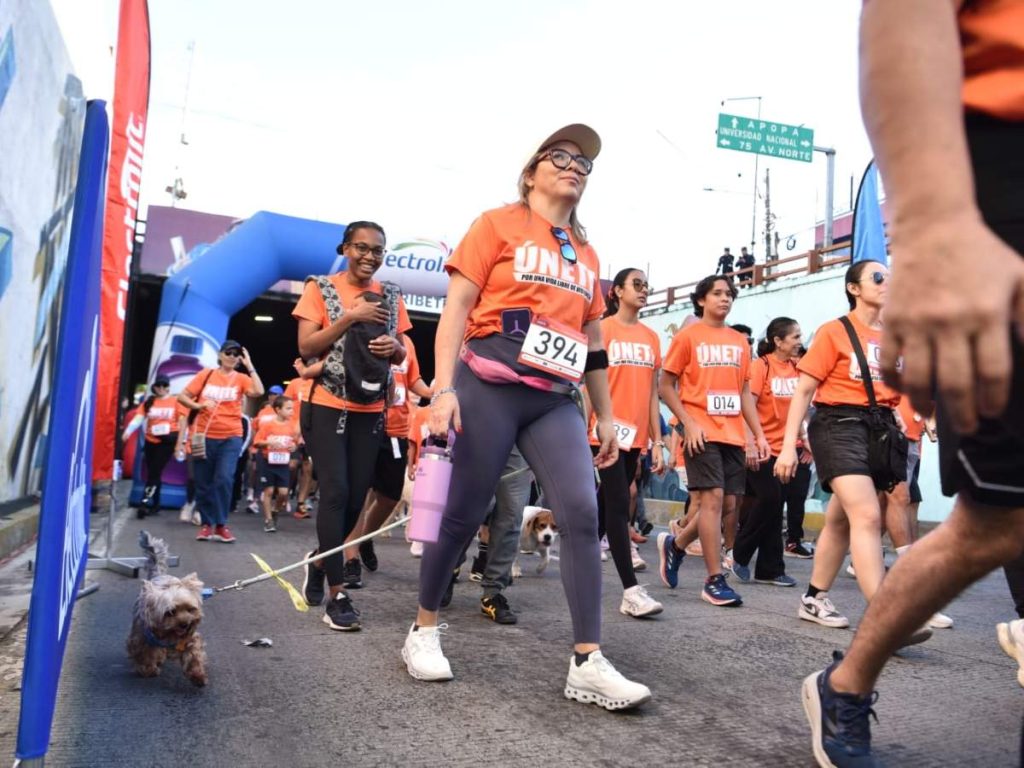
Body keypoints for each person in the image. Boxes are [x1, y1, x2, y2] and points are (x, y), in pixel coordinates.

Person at [801, 4, 1024, 764]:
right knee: (996, 522)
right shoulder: (834, 333)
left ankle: (826, 602)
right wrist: (931, 223)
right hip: (1002, 161)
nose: (881, 284)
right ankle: (850, 673)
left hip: (880, 428)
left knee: (865, 516)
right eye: (877, 276)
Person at [402, 123, 651, 710]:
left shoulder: (587, 255)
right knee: (463, 515)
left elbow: (591, 341)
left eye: (584, 163)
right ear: (532, 171)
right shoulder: (496, 225)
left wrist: (607, 415)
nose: (574, 166)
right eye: (560, 156)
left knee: (584, 513)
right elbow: (456, 310)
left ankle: (587, 661)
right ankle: (424, 629)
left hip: (553, 398)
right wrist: (442, 390)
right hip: (486, 383)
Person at [293, 221, 412, 632]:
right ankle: (336, 594)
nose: (370, 256)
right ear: (345, 248)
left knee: (355, 497)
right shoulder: (320, 288)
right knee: (336, 491)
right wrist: (351, 317)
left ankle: (317, 560)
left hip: (371, 410)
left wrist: (394, 348)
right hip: (327, 406)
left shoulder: (393, 297)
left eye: (377, 250)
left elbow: (401, 355)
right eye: (361, 248)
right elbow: (307, 347)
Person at [657, 275, 770, 606]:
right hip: (700, 433)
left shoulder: (739, 341)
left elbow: (744, 392)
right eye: (717, 293)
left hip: (732, 435)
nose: (725, 298)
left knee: (726, 506)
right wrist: (688, 424)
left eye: (729, 294)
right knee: (712, 500)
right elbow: (665, 386)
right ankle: (713, 579)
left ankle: (675, 546)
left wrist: (757, 434)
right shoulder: (688, 337)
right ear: (702, 300)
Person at [587, 267, 665, 618]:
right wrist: (579, 430)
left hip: (636, 438)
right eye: (637, 284)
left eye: (646, 285)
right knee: (619, 505)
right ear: (617, 291)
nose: (644, 290)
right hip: (602, 435)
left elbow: (651, 394)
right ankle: (630, 590)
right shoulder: (602, 329)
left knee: (606, 505)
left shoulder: (651, 337)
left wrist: (658, 441)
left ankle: (581, 548)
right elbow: (588, 383)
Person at [349, 334, 431, 575]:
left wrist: (436, 389)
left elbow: (414, 380)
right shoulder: (365, 332)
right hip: (365, 422)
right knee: (359, 494)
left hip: (396, 429)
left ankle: (365, 538)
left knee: (390, 496)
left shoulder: (408, 341)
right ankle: (350, 559)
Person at [730, 317, 802, 588]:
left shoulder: (797, 368)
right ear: (778, 341)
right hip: (762, 448)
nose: (799, 342)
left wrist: (803, 440)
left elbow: (801, 407)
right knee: (770, 498)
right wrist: (750, 441)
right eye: (794, 337)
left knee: (776, 505)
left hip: (787, 449)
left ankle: (770, 569)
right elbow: (746, 406)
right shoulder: (761, 367)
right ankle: (739, 552)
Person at [177, 340, 264, 543]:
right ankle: (207, 525)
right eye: (229, 352)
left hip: (230, 436)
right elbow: (182, 397)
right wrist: (198, 406)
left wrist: (250, 365)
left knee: (224, 479)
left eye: (237, 354)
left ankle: (221, 524)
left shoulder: (241, 378)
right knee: (203, 482)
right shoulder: (206, 374)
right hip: (204, 436)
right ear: (220, 354)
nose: (232, 357)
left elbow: (259, 391)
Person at [123, 376, 180, 518]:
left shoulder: (176, 402)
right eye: (158, 385)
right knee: (154, 473)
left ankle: (144, 502)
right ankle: (156, 504)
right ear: (154, 387)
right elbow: (138, 419)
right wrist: (128, 431)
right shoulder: (149, 402)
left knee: (154, 471)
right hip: (151, 441)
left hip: (167, 441)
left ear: (168, 387)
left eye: (164, 385)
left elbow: (183, 421)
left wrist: (182, 442)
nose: (161, 388)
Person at [783, 343, 815, 558]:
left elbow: (811, 416)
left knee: (797, 499)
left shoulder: (811, 383)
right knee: (769, 500)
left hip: (802, 450)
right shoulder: (772, 374)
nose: (798, 362)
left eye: (801, 358)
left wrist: (809, 446)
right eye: (795, 357)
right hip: (778, 448)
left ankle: (793, 541)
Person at [252, 396, 301, 533]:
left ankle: (275, 510)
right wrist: (269, 443)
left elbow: (295, 443)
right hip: (267, 461)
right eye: (288, 408)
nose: (292, 411)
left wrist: (294, 448)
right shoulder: (268, 425)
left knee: (284, 493)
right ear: (278, 410)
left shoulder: (292, 426)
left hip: (283, 463)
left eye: (292, 408)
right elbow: (257, 441)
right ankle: (268, 520)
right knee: (268, 491)